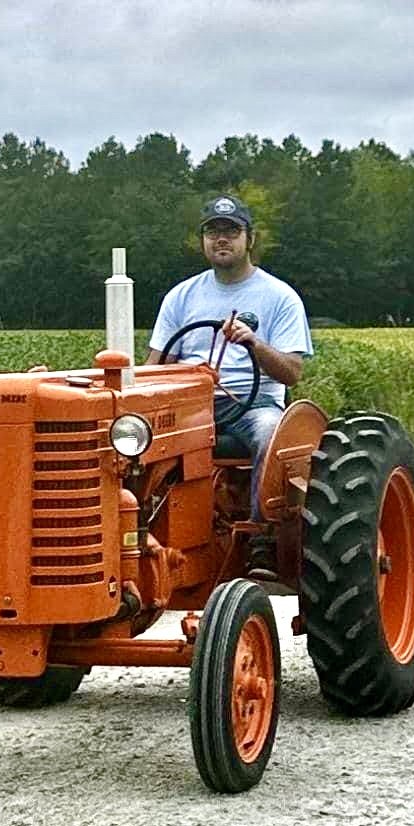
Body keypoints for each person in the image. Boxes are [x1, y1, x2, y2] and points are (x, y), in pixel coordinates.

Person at [146, 194, 313, 580]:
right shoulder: (181, 296)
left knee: (271, 431)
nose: (222, 239)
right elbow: (157, 365)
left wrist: (253, 343)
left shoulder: (279, 297)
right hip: (189, 407)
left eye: (231, 231)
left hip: (252, 405)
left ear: (249, 239)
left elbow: (291, 372)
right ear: (203, 240)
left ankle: (262, 541)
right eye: (213, 232)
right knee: (129, 437)